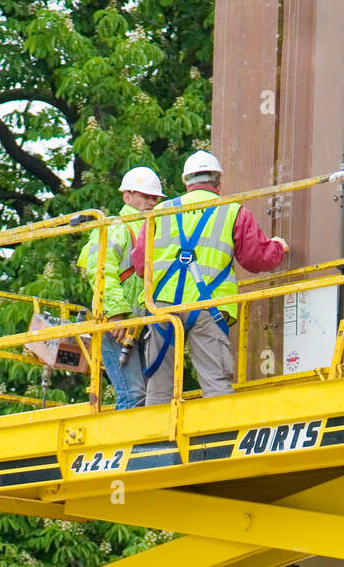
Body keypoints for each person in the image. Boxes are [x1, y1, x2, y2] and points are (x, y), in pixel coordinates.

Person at [130, 150, 288, 403]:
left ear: (186, 182)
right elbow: (255, 258)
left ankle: (155, 439)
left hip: (162, 307)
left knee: (159, 386)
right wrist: (279, 247)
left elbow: (139, 264)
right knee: (216, 382)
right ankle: (222, 439)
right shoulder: (232, 210)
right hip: (208, 307)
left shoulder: (160, 211)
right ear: (218, 182)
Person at [77, 166, 164, 409]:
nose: (152, 201)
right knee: (134, 394)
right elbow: (101, 268)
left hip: (142, 323)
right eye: (145, 196)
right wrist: (116, 312)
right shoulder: (117, 226)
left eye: (154, 197)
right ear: (127, 197)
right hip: (117, 324)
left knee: (152, 397)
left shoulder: (153, 228)